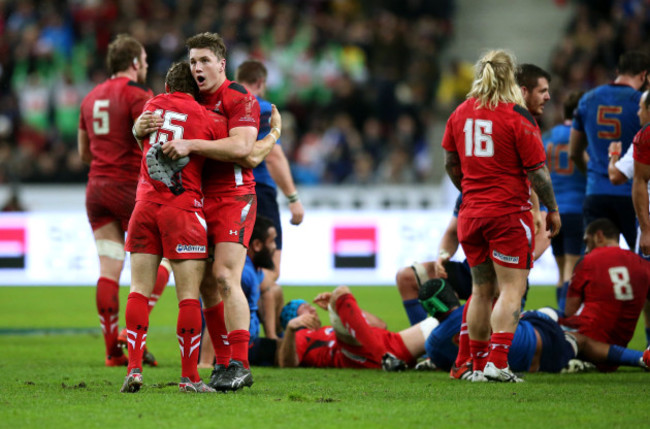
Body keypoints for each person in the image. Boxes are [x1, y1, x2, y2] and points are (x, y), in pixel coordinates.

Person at [442, 49, 561, 382]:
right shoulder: (517, 116)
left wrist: (469, 189)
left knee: (480, 291)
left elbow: (451, 165)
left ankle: (476, 365)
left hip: (471, 214)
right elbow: (538, 173)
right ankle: (497, 362)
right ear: (511, 78)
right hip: (507, 213)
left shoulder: (460, 113)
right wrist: (551, 208)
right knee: (511, 287)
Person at [120, 61, 223, 393]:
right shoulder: (206, 116)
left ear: (167, 86)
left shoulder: (152, 106)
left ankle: (133, 369)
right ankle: (190, 377)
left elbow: (145, 146)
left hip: (144, 205)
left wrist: (138, 131)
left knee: (138, 288)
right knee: (188, 297)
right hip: (182, 208)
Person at [77, 34, 170, 367]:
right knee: (164, 262)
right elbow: (154, 139)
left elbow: (83, 152)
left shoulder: (89, 98)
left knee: (109, 267)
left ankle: (111, 352)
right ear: (134, 63)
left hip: (96, 190)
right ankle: (127, 336)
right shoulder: (139, 94)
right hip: (130, 188)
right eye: (144, 60)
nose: (146, 65)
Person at [235, 59, 304, 340]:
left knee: (232, 265)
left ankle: (241, 332)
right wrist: (293, 198)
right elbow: (273, 155)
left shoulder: (228, 107)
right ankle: (257, 335)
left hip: (229, 193)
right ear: (261, 82)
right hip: (259, 192)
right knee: (270, 276)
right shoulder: (261, 108)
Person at [569, 51, 650, 249]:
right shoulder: (642, 104)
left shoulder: (587, 99)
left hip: (596, 191)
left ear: (617, 71)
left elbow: (574, 151)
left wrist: (593, 173)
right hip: (631, 195)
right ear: (643, 76)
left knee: (596, 261)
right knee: (640, 263)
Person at [560, 218, 650, 371]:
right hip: (616, 351)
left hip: (586, 341)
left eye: (587, 242)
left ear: (599, 236)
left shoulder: (588, 261)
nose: (587, 249)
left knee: (545, 319)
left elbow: (569, 311)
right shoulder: (644, 266)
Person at [277, 286, 439, 369]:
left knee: (443, 323)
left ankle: (456, 362)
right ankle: (384, 358)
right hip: (354, 354)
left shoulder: (327, 329)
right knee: (341, 291)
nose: (312, 308)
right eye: (304, 306)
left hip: (387, 344)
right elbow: (288, 364)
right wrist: (291, 330)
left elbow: (380, 325)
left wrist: (342, 310)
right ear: (293, 317)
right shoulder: (301, 335)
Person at [198, 215, 279, 368]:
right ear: (257, 245)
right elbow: (217, 311)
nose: (275, 247)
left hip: (244, 342)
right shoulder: (244, 275)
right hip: (234, 347)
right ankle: (213, 359)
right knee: (290, 348)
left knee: (276, 291)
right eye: (272, 241)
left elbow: (269, 287)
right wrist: (205, 362)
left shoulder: (253, 269)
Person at [542, 91, 587, 310]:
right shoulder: (583, 136)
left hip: (551, 211)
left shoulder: (548, 137)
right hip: (577, 208)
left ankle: (560, 319)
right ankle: (565, 321)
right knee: (572, 269)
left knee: (560, 272)